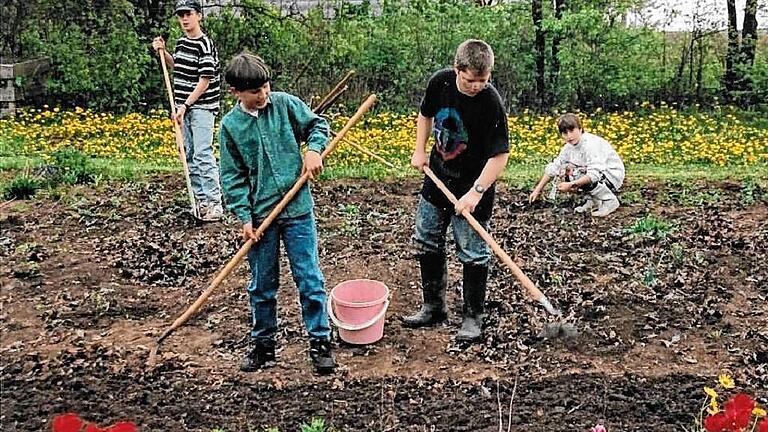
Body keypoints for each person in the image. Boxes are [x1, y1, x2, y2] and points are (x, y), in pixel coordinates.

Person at [218, 52, 336, 374]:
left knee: (309, 278)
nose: (264, 95)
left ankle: (320, 341)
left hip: (298, 210)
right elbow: (233, 177)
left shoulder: (284, 104)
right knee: (262, 285)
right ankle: (263, 345)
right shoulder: (230, 127)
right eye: (256, 92)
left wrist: (313, 150)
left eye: (267, 87)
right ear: (236, 93)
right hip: (260, 217)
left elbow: (317, 126)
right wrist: (243, 217)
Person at [401, 39, 510, 342]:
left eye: (484, 80)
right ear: (457, 69)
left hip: (474, 187)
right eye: (471, 80)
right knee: (426, 239)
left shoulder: (491, 102)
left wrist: (475, 193)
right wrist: (420, 151)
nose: (477, 86)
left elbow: (500, 155)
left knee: (473, 252)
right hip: (438, 178)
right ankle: (433, 307)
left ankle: (473, 317)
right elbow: (425, 114)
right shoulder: (440, 82)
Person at [152, 0, 224, 221]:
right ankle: (200, 200)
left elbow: (204, 81)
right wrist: (162, 53)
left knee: (202, 153)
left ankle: (215, 203)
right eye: (181, 15)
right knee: (188, 153)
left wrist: (185, 106)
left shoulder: (205, 44)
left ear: (199, 16)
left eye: (188, 14)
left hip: (201, 107)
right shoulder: (183, 42)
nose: (184, 19)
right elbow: (178, 66)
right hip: (182, 107)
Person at [528, 113, 625, 217]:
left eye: (572, 131)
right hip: (595, 174)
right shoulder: (568, 147)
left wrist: (571, 184)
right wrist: (537, 190)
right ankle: (593, 201)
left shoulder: (590, 145)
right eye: (565, 133)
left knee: (578, 174)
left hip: (611, 175)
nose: (569, 136)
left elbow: (594, 173)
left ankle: (609, 200)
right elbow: (554, 167)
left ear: (580, 128)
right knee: (566, 170)